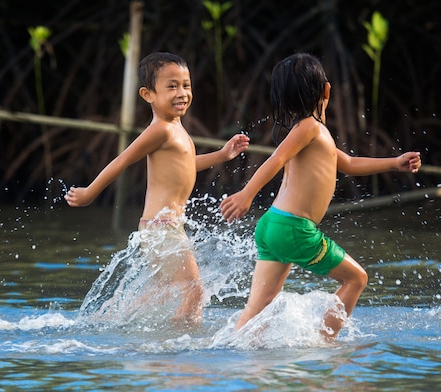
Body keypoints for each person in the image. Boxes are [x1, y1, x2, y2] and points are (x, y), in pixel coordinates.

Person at [220, 53, 421, 338]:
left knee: (257, 309)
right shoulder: (310, 128)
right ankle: (325, 345)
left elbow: (349, 163)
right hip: (293, 229)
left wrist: (394, 162)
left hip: (272, 226)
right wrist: (247, 194)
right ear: (327, 89)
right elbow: (276, 159)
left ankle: (235, 355)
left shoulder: (311, 132)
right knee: (357, 279)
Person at [66, 52, 250, 325]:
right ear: (148, 94)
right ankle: (181, 350)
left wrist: (222, 155)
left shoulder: (176, 129)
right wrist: (90, 192)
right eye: (172, 86)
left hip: (165, 226)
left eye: (186, 85)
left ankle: (107, 320)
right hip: (161, 227)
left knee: (164, 291)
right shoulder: (160, 129)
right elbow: (122, 160)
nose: (182, 93)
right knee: (194, 291)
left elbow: (187, 164)